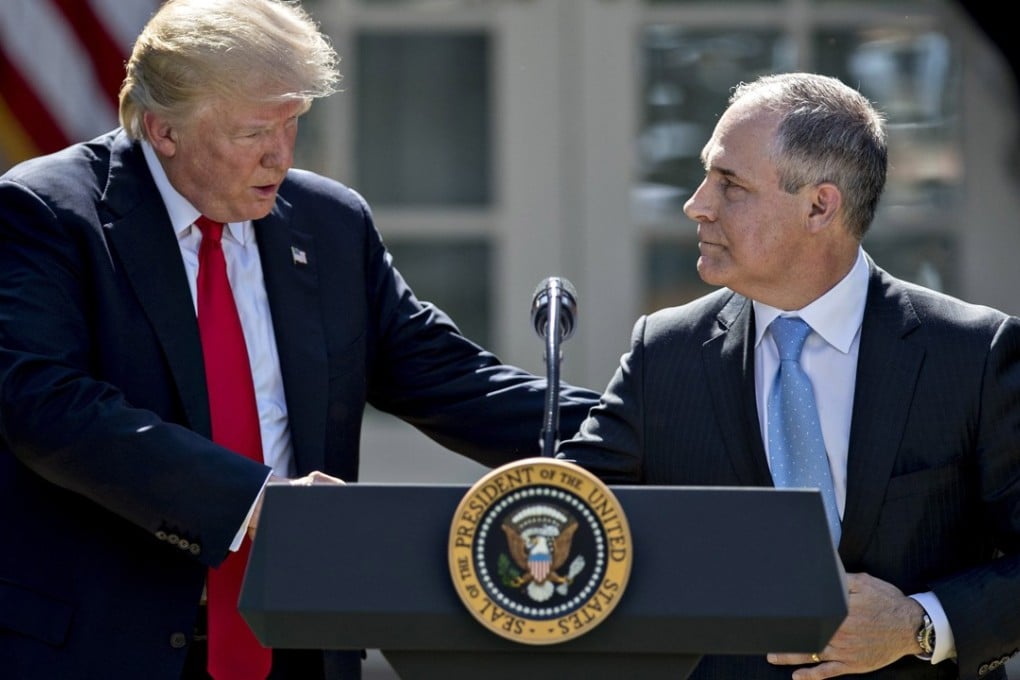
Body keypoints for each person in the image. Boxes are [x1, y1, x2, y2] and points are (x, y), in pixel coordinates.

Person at [0, 1, 598, 679]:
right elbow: (47, 407)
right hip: (108, 648)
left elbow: (451, 381)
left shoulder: (328, 222)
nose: (281, 156)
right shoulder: (50, 212)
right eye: (255, 131)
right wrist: (258, 500)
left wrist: (639, 431)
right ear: (164, 130)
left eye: (292, 124)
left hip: (298, 643)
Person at [558, 72, 1020, 679]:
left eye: (731, 185)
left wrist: (919, 624)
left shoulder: (974, 353)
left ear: (820, 206)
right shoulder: (664, 352)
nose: (697, 205)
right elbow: (567, 511)